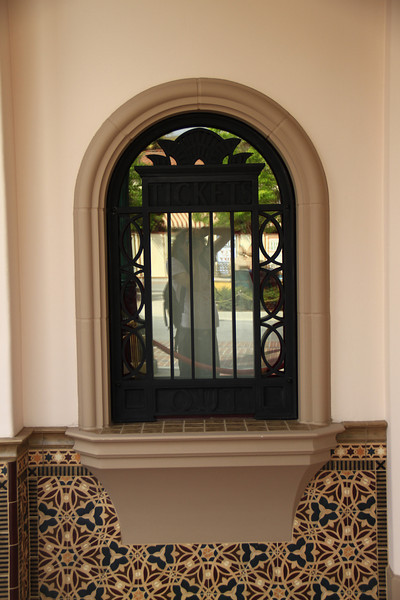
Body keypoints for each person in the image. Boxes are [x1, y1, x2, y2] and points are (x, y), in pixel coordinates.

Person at [170, 227, 229, 378]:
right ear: (180, 245)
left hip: (208, 324)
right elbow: (194, 284)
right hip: (188, 326)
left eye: (196, 241)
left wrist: (207, 231)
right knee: (189, 374)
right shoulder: (174, 263)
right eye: (189, 242)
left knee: (210, 373)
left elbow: (228, 233)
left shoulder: (205, 256)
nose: (194, 245)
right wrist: (194, 257)